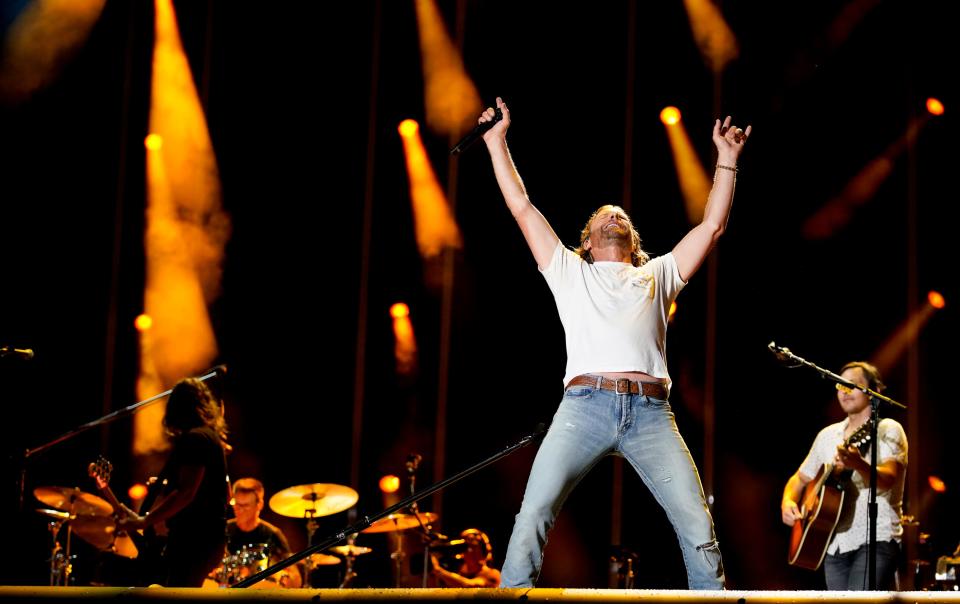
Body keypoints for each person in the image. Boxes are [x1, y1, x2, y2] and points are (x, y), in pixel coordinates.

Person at [478, 97, 750, 589]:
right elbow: (521, 205)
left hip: (650, 413)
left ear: (634, 238)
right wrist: (497, 143)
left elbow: (711, 227)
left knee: (696, 524)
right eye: (605, 215)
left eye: (621, 215)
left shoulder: (657, 273)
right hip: (583, 406)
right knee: (533, 514)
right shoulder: (568, 269)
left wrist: (726, 159)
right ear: (586, 239)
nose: (614, 216)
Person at [781, 361, 908, 590]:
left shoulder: (888, 429)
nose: (843, 391)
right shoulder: (828, 435)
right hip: (834, 545)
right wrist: (788, 501)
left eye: (852, 385)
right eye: (839, 386)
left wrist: (858, 464)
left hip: (876, 540)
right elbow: (798, 480)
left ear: (874, 391)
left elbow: (888, 480)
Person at [114, 377, 231, 587]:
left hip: (194, 541)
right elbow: (220, 492)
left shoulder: (195, 439)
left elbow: (186, 493)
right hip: (208, 540)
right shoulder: (211, 438)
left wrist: (145, 521)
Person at [221, 477, 302, 588]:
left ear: (259, 505)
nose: (239, 510)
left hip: (259, 595)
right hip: (224, 594)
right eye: (236, 504)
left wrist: (284, 579)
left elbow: (295, 578)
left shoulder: (272, 534)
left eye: (245, 506)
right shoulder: (224, 529)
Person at [430, 528, 501, 588]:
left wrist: (437, 570)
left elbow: (469, 585)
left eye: (474, 547)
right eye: (466, 546)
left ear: (483, 551)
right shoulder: (461, 572)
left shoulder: (492, 574)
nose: (469, 550)